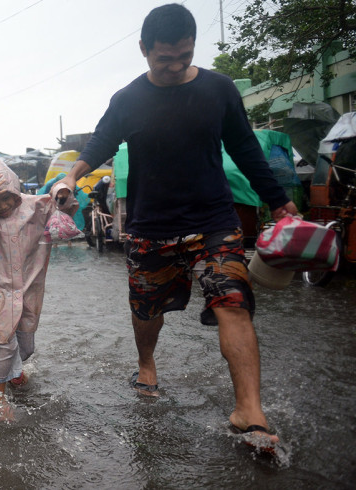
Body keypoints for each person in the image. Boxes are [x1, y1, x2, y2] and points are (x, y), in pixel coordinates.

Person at [53, 3, 298, 449]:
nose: (175, 65)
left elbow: (246, 149)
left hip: (213, 220)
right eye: (164, 57)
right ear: (144, 49)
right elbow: (101, 140)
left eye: (184, 55)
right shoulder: (128, 99)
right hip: (151, 225)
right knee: (148, 311)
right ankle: (146, 364)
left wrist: (280, 204)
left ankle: (249, 410)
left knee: (234, 301)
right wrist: (72, 175)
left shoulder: (219, 89)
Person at [0, 152, 78, 422]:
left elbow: (63, 200)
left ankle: (15, 374)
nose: (1, 207)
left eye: (6, 197)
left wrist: (62, 191)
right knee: (4, 345)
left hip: (28, 288)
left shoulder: (37, 206)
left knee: (25, 347)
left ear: (15, 189)